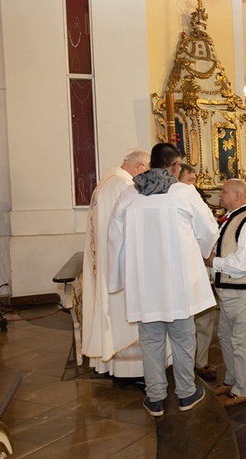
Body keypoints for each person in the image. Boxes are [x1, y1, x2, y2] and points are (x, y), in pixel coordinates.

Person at [108, 143, 218, 417]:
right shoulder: (184, 193)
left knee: (151, 342)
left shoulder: (129, 195)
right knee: (183, 340)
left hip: (145, 287)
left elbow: (114, 240)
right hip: (178, 285)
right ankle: (186, 393)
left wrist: (120, 278)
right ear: (175, 166)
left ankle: (155, 398)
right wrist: (203, 252)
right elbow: (208, 229)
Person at [82, 148, 149, 378]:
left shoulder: (106, 183)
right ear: (139, 167)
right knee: (122, 319)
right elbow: (129, 231)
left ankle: (109, 365)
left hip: (104, 263)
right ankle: (129, 371)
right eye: (147, 170)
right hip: (119, 267)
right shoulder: (124, 186)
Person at [205, 179, 246, 407]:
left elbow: (243, 264)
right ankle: (232, 380)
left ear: (238, 195)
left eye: (224, 191)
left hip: (243, 291)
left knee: (243, 341)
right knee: (227, 337)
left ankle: (244, 389)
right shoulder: (234, 217)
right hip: (231, 291)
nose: (220, 195)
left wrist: (213, 262)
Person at [178, 164, 218, 381]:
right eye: (190, 180)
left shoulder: (196, 199)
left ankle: (200, 361)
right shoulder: (172, 202)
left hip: (202, 268)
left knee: (205, 317)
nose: (194, 185)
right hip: (186, 269)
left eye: (195, 180)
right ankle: (180, 362)